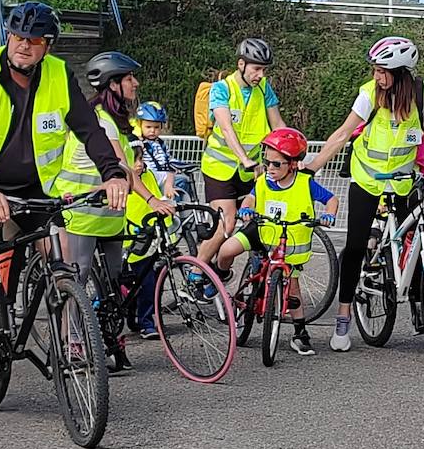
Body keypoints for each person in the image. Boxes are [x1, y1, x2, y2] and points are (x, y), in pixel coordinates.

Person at [0, 1, 129, 356]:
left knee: (63, 257)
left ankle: (70, 341)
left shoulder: (58, 74)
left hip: (32, 186)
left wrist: (113, 172)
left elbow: (89, 129)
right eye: (17, 36)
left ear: (48, 45)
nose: (24, 44)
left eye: (35, 39)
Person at [304, 36, 424, 352]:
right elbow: (343, 133)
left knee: (417, 236)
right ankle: (343, 318)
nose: (376, 76)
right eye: (375, 69)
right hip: (367, 179)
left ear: (401, 72)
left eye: (382, 71)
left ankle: (418, 301)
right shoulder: (369, 94)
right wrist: (312, 166)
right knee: (355, 246)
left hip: (402, 181)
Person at [58, 51, 174, 374]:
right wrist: (153, 200)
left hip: (110, 214)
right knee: (78, 280)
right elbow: (122, 166)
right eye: (128, 78)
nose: (135, 83)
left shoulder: (121, 121)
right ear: (111, 85)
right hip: (82, 211)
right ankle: (73, 342)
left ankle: (111, 339)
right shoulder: (99, 118)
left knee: (113, 285)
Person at [213, 128, 338, 356]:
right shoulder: (263, 181)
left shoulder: (304, 183)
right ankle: (221, 274)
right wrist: (247, 207)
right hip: (261, 231)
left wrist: (329, 214)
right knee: (226, 249)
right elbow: (251, 197)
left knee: (293, 288)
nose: (270, 168)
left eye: (276, 164)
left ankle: (300, 333)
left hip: (287, 240)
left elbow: (331, 199)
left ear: (292, 164)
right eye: (267, 162)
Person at [196, 38, 285, 267]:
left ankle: (233, 273)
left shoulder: (264, 89)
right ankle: (197, 270)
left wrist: (293, 153)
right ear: (241, 64)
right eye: (256, 69)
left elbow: (278, 125)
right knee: (226, 224)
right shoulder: (221, 89)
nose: (260, 75)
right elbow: (226, 127)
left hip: (251, 171)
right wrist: (244, 158)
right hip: (220, 168)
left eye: (264, 70)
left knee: (263, 221)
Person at [135, 101, 188, 199]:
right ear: (139, 125)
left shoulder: (161, 143)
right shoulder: (138, 144)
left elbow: (168, 159)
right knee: (179, 182)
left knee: (184, 181)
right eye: (148, 127)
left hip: (164, 177)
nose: (152, 131)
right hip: (149, 178)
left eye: (156, 127)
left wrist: (182, 165)